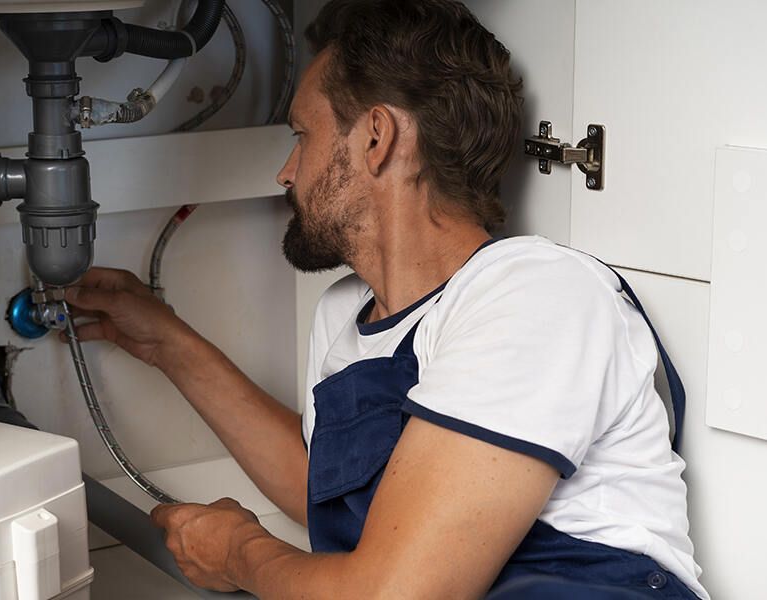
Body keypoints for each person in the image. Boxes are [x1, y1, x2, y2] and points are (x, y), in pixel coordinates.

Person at [63, 0, 708, 598]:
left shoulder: (536, 294)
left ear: (376, 138)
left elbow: (397, 591)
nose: (286, 172)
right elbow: (328, 485)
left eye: (303, 136)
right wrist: (163, 341)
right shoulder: (347, 317)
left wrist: (241, 554)